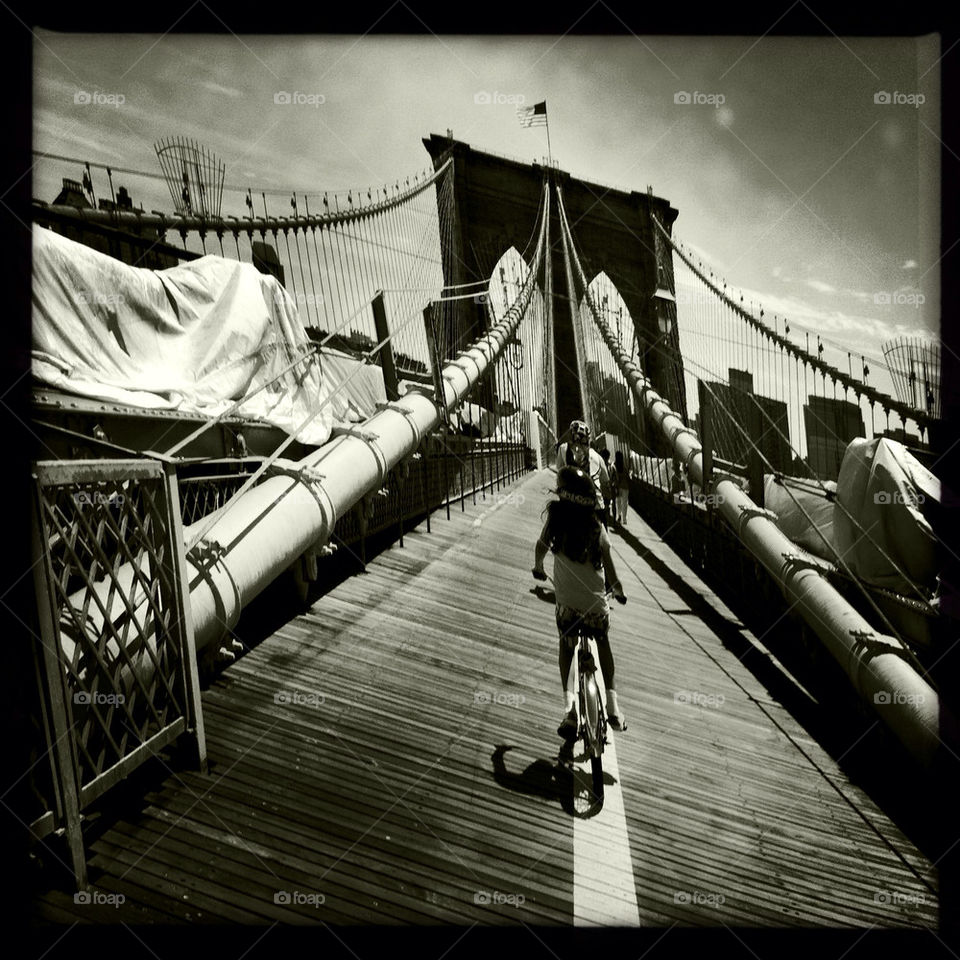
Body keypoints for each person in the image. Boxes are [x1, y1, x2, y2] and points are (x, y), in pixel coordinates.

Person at [532, 466, 628, 736]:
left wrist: (538, 567)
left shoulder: (556, 520)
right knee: (603, 641)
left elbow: (540, 547)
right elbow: (610, 570)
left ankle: (570, 712)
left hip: (567, 607)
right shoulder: (596, 527)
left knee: (566, 648)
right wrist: (618, 591)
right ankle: (612, 707)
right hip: (596, 605)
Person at [555, 420, 610, 522]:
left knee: (553, 520)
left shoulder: (563, 448)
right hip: (595, 506)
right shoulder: (598, 457)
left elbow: (559, 469)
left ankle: (544, 538)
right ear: (588, 439)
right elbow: (606, 482)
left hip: (570, 501)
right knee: (602, 535)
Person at [614, 450, 631, 527]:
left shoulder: (614, 465)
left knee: (618, 502)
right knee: (625, 502)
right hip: (625, 487)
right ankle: (624, 519)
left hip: (618, 486)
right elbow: (627, 476)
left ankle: (619, 515)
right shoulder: (624, 466)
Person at [599, 448, 614, 527]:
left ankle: (606, 521)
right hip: (606, 490)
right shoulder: (609, 466)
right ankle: (606, 521)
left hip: (603, 489)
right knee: (606, 506)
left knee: (605, 506)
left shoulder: (601, 465)